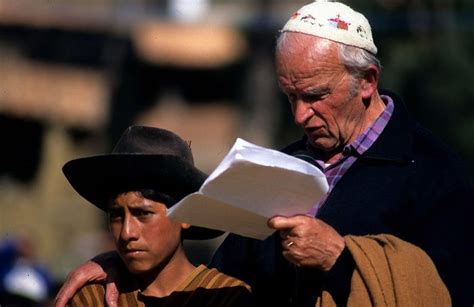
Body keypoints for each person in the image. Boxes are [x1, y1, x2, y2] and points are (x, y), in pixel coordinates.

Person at [55, 1, 473, 306]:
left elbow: (451, 293)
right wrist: (125, 267)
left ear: (367, 80)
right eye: (289, 96)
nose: (300, 114)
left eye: (314, 95)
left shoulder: (434, 174)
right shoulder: (273, 170)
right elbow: (223, 286)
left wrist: (341, 259)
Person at [60, 125, 253, 306]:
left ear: (185, 214)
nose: (127, 233)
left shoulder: (224, 297)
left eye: (143, 213)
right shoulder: (92, 299)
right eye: (116, 215)